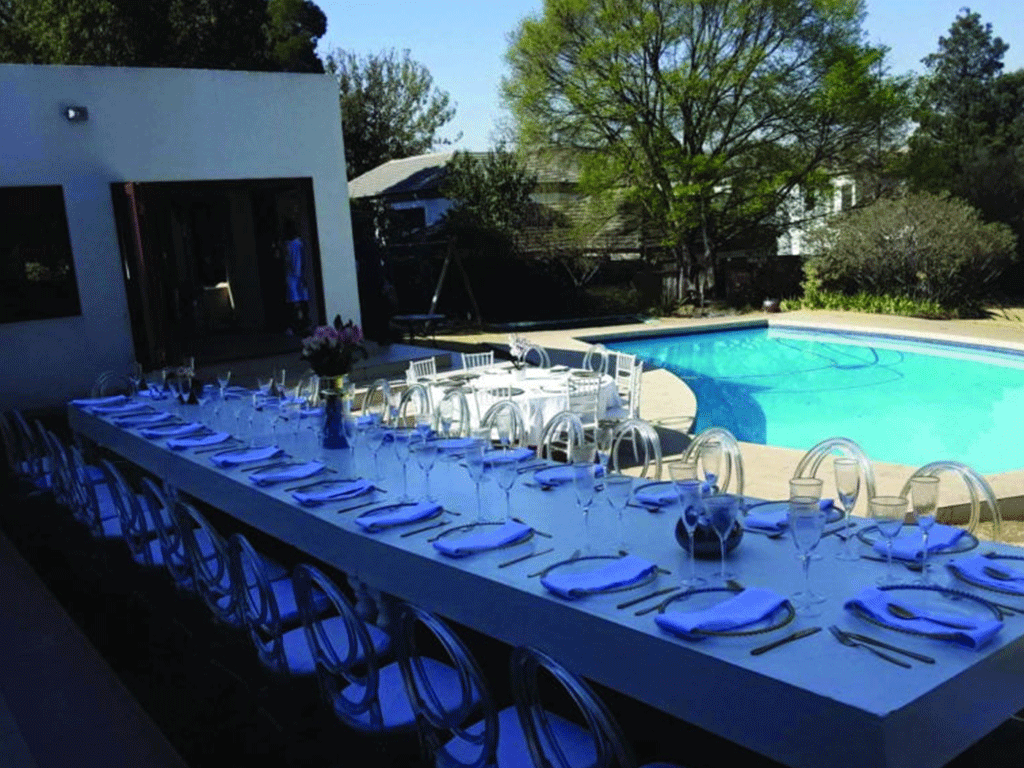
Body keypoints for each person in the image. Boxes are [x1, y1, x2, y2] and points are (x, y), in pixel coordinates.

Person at [282, 219, 309, 334]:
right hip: (294, 277)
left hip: (297, 276)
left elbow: (299, 261)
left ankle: (301, 325)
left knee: (299, 302)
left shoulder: (296, 243)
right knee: (296, 303)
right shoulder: (291, 244)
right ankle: (298, 325)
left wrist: (302, 276)